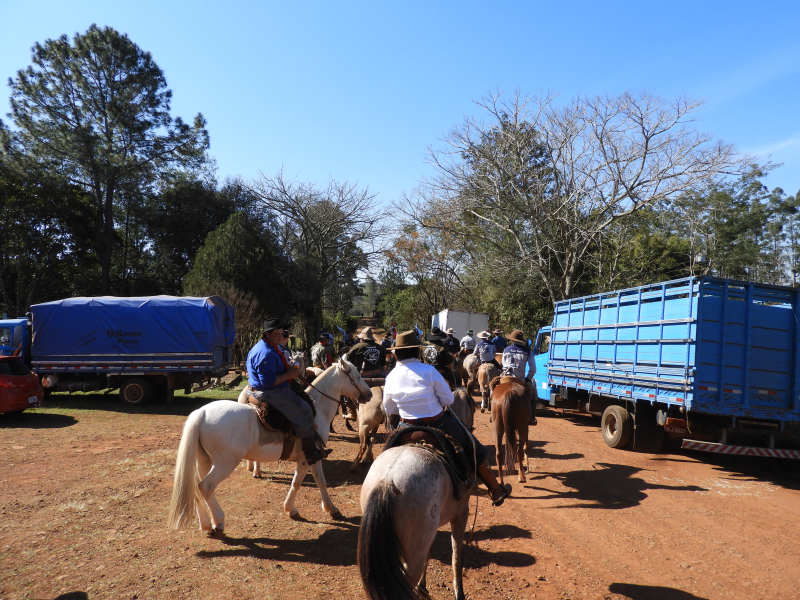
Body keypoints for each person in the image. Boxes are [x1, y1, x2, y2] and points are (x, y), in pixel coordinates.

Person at [383, 331, 512, 505]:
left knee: (385, 455)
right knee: (473, 447)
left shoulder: (391, 376)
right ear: (416, 352)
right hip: (437, 423)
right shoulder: (429, 370)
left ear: (396, 354)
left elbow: (389, 407)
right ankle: (496, 490)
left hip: (406, 426)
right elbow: (449, 400)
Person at [246, 318, 328, 465]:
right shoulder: (266, 353)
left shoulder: (268, 346)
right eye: (277, 334)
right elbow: (267, 381)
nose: (280, 337)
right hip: (269, 391)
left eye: (282, 333)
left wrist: (287, 367)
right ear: (267, 334)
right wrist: (288, 375)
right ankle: (310, 452)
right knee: (304, 409)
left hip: (266, 388)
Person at [501, 329, 538, 425]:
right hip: (520, 380)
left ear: (512, 340)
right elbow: (533, 369)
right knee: (534, 393)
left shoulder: (507, 349)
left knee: (493, 387)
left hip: (506, 378)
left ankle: (493, 414)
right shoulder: (527, 351)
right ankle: (532, 417)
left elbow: (503, 364)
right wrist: (527, 379)